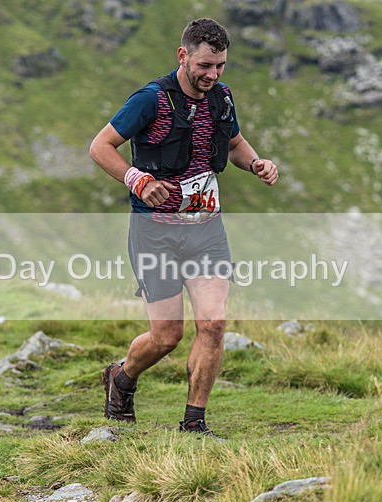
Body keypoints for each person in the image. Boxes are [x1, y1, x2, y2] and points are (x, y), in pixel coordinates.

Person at [89, 18, 278, 438]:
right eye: (205, 65)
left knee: (212, 324)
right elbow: (100, 147)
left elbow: (233, 143)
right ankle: (121, 377)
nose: (212, 75)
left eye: (221, 66)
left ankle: (194, 424)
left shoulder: (222, 99)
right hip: (155, 232)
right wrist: (138, 179)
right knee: (167, 336)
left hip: (205, 230)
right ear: (183, 56)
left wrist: (257, 163)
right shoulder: (150, 100)